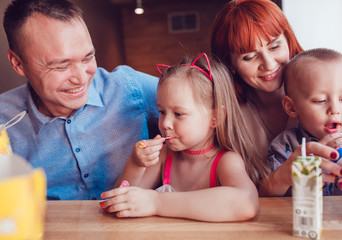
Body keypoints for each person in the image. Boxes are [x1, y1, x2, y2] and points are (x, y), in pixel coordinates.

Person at [0, 0, 159, 200]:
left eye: (87, 58)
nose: (82, 79)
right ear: (18, 64)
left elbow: (204, 104)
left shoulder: (129, 87)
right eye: (61, 66)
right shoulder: (4, 120)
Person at [211, 0, 342, 198]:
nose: (269, 63)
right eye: (249, 57)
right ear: (230, 64)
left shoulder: (337, 83)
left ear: (288, 39)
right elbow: (241, 196)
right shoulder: (230, 116)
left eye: (275, 46)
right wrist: (280, 178)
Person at [100, 53, 263, 222]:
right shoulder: (164, 156)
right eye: (162, 112)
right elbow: (122, 204)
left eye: (179, 114)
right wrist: (136, 164)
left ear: (216, 118)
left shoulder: (226, 161)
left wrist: (156, 202)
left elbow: (247, 203)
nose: (165, 123)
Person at [268, 48, 342, 196]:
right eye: (320, 100)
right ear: (291, 107)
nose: (334, 109)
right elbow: (272, 197)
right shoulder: (286, 145)